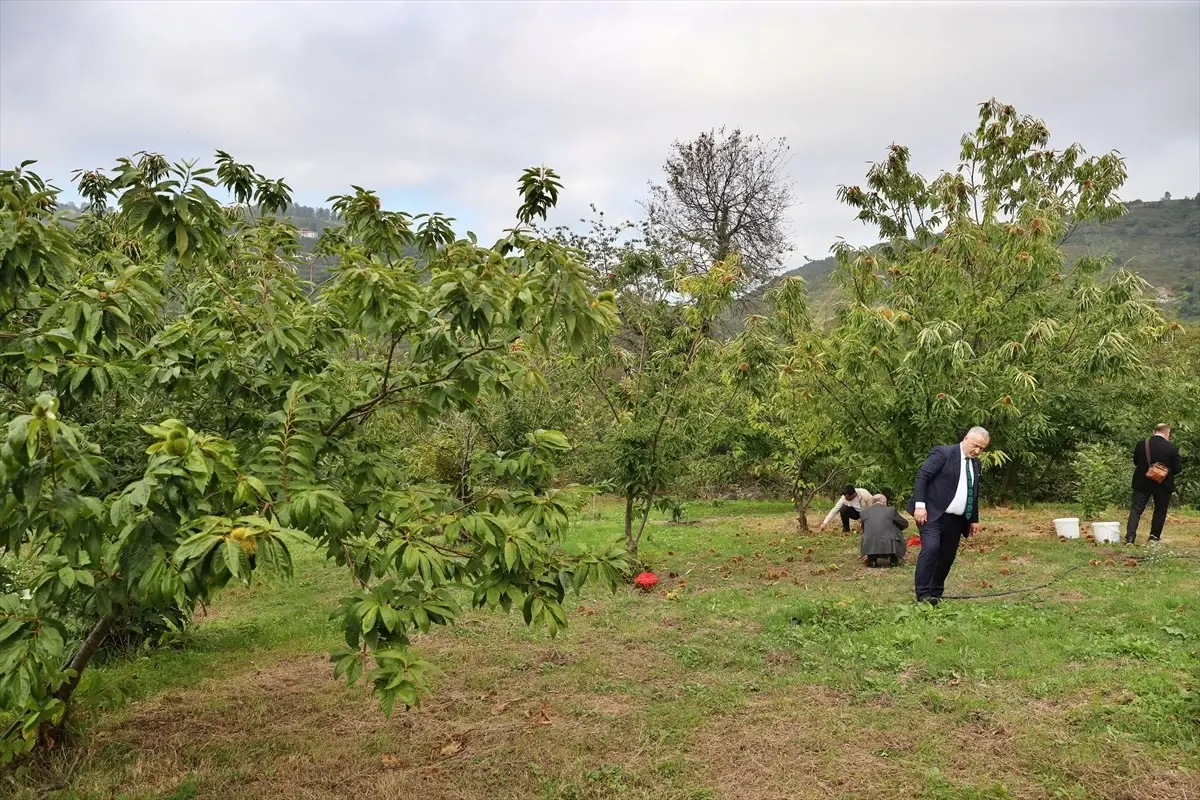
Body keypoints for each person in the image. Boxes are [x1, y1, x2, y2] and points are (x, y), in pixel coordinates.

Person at [906, 427, 989, 604]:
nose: (977, 451)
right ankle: (923, 594)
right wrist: (920, 506)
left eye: (982, 448)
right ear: (966, 438)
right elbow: (922, 477)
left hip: (957, 519)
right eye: (975, 446)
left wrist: (974, 519)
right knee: (931, 549)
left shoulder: (976, 464)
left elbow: (973, 492)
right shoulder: (944, 453)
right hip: (932, 514)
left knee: (947, 556)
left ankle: (935, 592)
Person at [1126, 423, 1183, 544]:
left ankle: (1130, 538)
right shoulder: (1172, 448)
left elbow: (1136, 462)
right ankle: (1153, 538)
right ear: (1167, 433)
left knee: (1136, 510)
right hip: (1163, 484)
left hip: (1142, 482)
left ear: (1154, 431)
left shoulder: (1141, 444)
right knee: (1160, 511)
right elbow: (1177, 469)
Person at [859, 493, 909, 567]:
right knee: (895, 527)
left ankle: (872, 560)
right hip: (889, 545)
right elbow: (905, 524)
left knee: (869, 532)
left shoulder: (863, 512)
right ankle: (893, 560)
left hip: (870, 546)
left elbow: (864, 529)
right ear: (883, 501)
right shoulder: (891, 510)